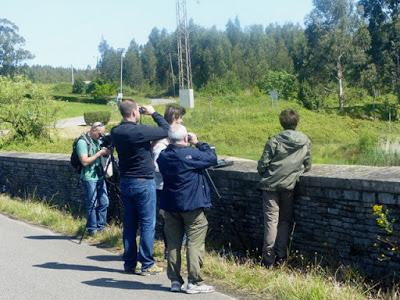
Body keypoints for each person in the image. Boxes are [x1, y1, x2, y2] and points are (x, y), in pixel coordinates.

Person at [111, 99, 169, 276]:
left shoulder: (116, 131)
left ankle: (129, 264)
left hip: (126, 181)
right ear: (135, 112)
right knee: (147, 224)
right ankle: (146, 263)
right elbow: (167, 130)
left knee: (129, 225)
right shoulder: (139, 131)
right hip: (143, 182)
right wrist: (153, 113)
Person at [157, 124, 217, 294]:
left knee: (174, 244)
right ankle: (194, 281)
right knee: (194, 243)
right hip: (192, 205)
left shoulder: (163, 156)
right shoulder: (190, 155)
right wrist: (198, 143)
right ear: (185, 138)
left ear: (169, 139)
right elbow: (212, 158)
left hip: (170, 205)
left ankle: (175, 281)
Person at [257, 109, 312, 267]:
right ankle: (281, 256)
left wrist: (265, 172)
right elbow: (307, 165)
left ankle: (268, 259)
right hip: (289, 186)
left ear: (281, 123)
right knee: (284, 222)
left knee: (271, 222)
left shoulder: (274, 141)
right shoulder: (305, 140)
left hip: (270, 186)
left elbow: (262, 166)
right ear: (297, 122)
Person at [152, 104, 186, 258]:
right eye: (180, 118)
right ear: (173, 118)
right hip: (163, 186)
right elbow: (156, 166)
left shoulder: (179, 137)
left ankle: (179, 250)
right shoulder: (161, 142)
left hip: (176, 186)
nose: (182, 121)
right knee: (169, 220)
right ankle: (170, 251)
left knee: (181, 218)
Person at [77, 122, 111, 236]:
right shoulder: (82, 142)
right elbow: (84, 161)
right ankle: (92, 229)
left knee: (104, 202)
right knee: (92, 203)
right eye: (100, 134)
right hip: (89, 177)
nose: (101, 136)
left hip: (99, 175)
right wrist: (100, 153)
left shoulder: (99, 141)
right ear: (93, 131)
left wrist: (107, 151)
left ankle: (101, 227)